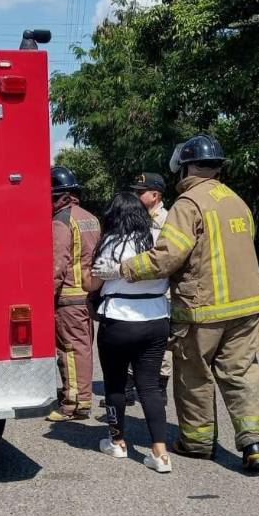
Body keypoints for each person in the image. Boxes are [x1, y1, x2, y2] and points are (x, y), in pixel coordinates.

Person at [97, 134, 259, 474]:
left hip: (204, 308)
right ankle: (253, 443)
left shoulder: (188, 204)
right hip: (249, 307)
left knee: (194, 375)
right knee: (240, 374)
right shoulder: (237, 201)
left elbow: (167, 257)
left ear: (187, 167)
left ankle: (197, 442)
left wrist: (122, 269)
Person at [88, 192, 172, 472]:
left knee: (115, 384)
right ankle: (160, 453)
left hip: (118, 321)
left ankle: (117, 442)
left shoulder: (111, 242)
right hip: (156, 319)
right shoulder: (158, 239)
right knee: (149, 385)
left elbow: (92, 284)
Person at [49, 165, 101, 421]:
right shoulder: (90, 217)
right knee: (82, 349)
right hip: (88, 295)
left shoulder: (61, 221)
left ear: (57, 196)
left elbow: (57, 264)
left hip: (68, 297)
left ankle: (73, 404)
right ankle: (83, 397)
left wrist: (46, 296)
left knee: (69, 350)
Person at [129, 171, 173, 388]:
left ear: (155, 195)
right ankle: (129, 383)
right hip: (138, 285)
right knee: (133, 332)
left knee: (161, 342)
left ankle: (160, 385)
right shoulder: (136, 218)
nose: (137, 196)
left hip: (162, 289)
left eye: (141, 192)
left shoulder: (168, 220)